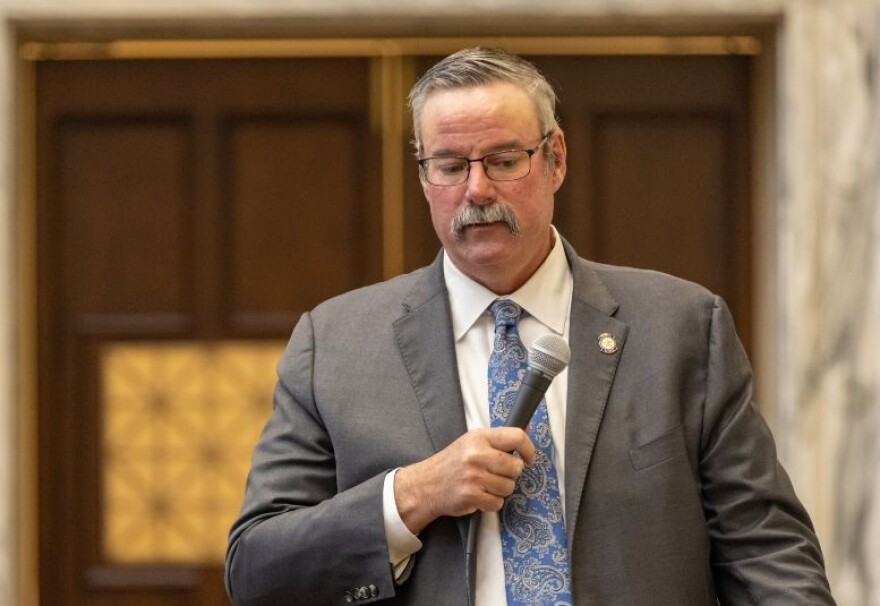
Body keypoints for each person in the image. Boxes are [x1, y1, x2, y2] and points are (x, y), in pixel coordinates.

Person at [225, 47, 835, 605]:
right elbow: (256, 570)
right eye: (449, 165)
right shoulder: (334, 346)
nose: (477, 189)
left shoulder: (681, 328)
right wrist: (413, 495)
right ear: (423, 176)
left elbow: (767, 553)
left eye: (503, 160)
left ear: (555, 158)